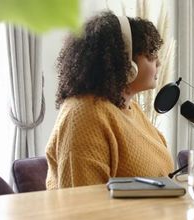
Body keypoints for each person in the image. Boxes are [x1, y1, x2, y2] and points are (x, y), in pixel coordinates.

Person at [45, 11, 173, 189]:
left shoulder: (129, 107)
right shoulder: (85, 114)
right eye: (151, 55)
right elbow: (83, 203)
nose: (158, 63)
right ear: (126, 63)